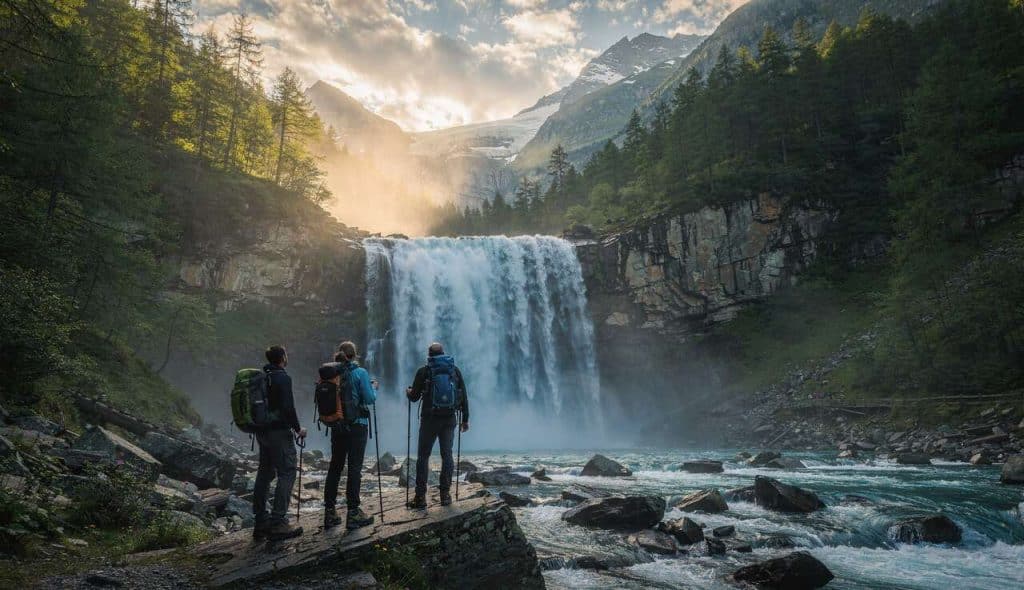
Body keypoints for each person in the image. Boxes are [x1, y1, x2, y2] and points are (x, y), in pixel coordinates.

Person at [405, 342, 469, 509]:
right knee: (447, 455)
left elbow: (414, 397)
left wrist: (408, 392)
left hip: (429, 419)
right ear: (443, 353)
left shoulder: (424, 371)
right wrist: (465, 419)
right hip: (449, 419)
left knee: (423, 457)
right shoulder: (454, 371)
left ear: (429, 355)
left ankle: (420, 498)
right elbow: (464, 395)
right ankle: (445, 495)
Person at [253, 345, 307, 541]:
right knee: (287, 472)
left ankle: (260, 521)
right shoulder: (282, 377)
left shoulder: (261, 377)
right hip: (278, 432)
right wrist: (298, 428)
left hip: (262, 432)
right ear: (282, 357)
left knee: (265, 473)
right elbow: (288, 407)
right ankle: (278, 522)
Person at [323, 341, 377, 530]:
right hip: (357, 427)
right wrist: (374, 388)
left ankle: (329, 513)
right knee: (354, 468)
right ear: (355, 355)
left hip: (337, 427)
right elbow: (369, 398)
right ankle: (353, 513)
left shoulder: (332, 374)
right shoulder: (360, 373)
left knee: (335, 467)